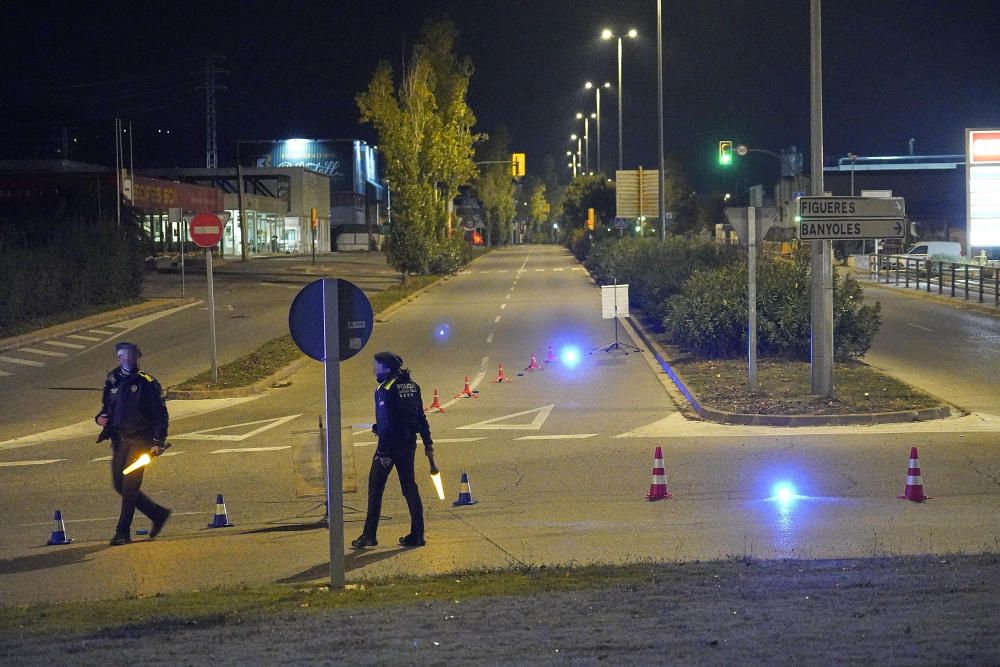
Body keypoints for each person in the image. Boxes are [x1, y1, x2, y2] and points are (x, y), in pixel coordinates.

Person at [352, 351, 433, 549]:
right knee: (409, 487)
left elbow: (388, 424)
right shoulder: (413, 386)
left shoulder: (384, 389)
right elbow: (419, 417)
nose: (374, 371)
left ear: (386, 368)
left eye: (376, 366)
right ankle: (418, 534)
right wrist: (428, 442)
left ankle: (369, 535)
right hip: (408, 444)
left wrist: (383, 453)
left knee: (375, 488)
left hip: (389, 447)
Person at [95, 342, 171, 546]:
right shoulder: (113, 380)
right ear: (118, 358)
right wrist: (101, 418)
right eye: (122, 355)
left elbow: (160, 414)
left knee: (130, 485)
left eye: (130, 355)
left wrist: (158, 441)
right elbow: (106, 408)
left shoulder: (147, 383)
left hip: (141, 441)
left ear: (136, 357)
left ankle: (122, 531)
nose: (126, 359)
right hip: (120, 441)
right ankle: (157, 514)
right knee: (119, 485)